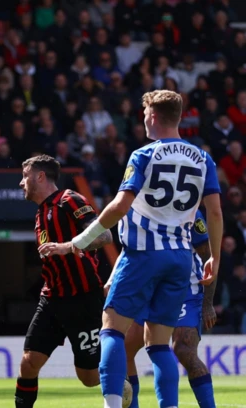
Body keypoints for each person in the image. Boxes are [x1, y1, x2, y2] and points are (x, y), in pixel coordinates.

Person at [69, 90, 223, 408]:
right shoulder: (204, 158)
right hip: (181, 259)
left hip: (143, 255)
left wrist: (80, 240)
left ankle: (112, 405)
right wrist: (215, 259)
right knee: (159, 346)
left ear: (152, 116)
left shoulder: (143, 156)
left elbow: (120, 205)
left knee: (111, 331)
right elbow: (215, 213)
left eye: (144, 115)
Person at [15, 154, 115, 408]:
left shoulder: (69, 199)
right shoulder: (40, 214)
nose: (21, 183)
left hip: (83, 299)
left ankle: (119, 380)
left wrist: (67, 246)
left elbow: (104, 236)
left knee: (89, 378)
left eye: (25, 176)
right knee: (28, 363)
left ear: (40, 176)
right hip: (51, 299)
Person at [112, 210, 217, 408]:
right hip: (148, 286)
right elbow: (129, 247)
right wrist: (113, 277)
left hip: (186, 288)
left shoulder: (188, 209)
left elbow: (208, 256)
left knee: (183, 349)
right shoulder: (139, 205)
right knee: (125, 348)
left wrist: (208, 303)